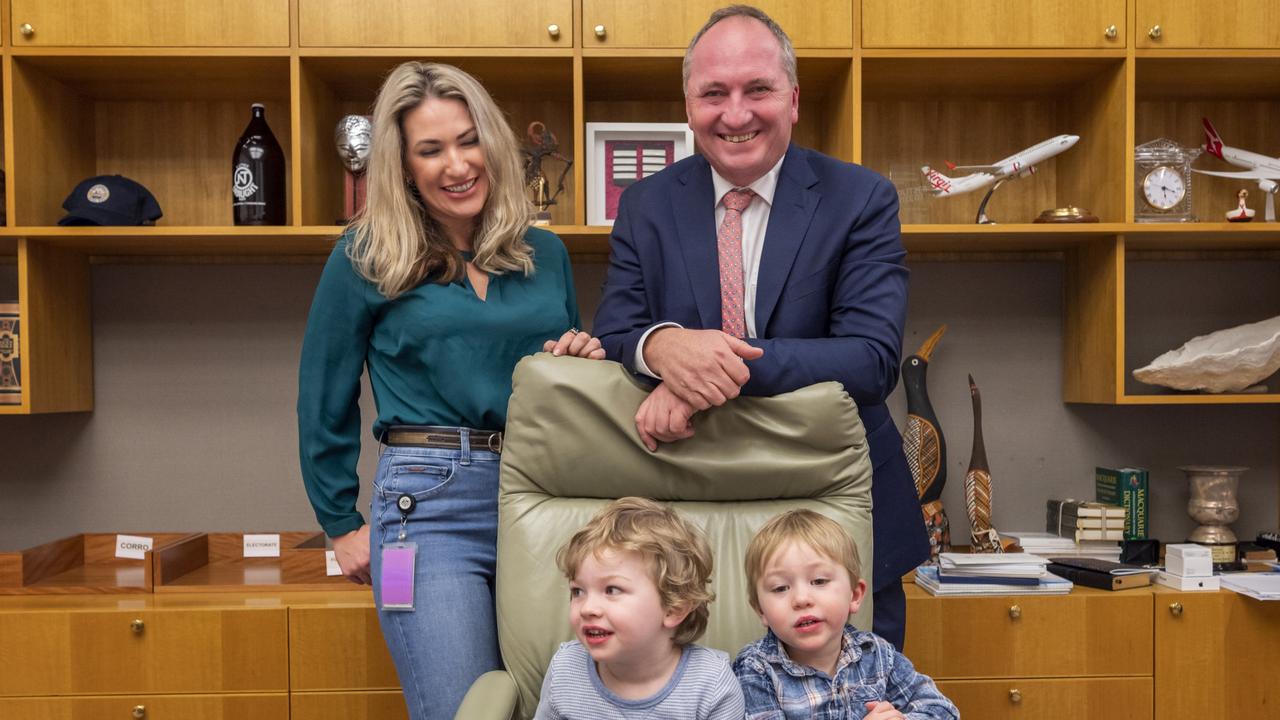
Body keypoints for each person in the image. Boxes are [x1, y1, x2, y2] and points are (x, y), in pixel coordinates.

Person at [590, 4, 929, 650]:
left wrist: (706, 370)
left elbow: (869, 359)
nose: (736, 113)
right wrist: (663, 346)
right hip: (692, 512)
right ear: (688, 106)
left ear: (794, 99)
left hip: (839, 513)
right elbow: (616, 331)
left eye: (758, 90)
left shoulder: (861, 198)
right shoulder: (646, 206)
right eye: (713, 93)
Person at [297, 62, 604, 720]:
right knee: (461, 710)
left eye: (468, 141)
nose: (456, 164)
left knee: (567, 706)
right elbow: (323, 389)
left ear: (493, 144)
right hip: (426, 509)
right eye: (429, 150)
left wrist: (582, 358)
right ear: (403, 166)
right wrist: (340, 522)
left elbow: (561, 383)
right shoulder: (365, 254)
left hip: (542, 496)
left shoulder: (543, 255)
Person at [734, 510, 959, 720]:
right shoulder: (756, 669)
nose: (801, 599)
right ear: (761, 610)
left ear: (854, 595)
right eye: (780, 588)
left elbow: (945, 710)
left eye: (819, 581)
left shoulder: (877, 654)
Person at [534, 497, 746, 719]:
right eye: (578, 591)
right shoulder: (565, 668)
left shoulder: (712, 685)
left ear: (674, 608)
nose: (587, 608)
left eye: (612, 590)